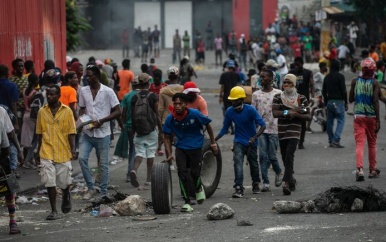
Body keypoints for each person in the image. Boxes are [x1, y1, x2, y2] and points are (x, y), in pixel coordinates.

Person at [163, 93, 218, 212]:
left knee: (194, 173)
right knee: (182, 173)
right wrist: (169, 154)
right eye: (175, 104)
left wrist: (213, 143)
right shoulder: (170, 118)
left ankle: (198, 188)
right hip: (181, 148)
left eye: (180, 104)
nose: (177, 106)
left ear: (186, 104)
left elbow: (207, 125)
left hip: (196, 147)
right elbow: (166, 136)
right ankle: (187, 202)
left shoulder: (195, 114)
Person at [78, 65, 121, 200]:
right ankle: (91, 187)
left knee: (103, 164)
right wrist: (83, 122)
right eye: (86, 76)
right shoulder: (83, 91)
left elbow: (118, 111)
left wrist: (101, 121)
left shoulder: (108, 91)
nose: (87, 78)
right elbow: (82, 109)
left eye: (90, 75)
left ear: (97, 76)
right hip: (88, 133)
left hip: (103, 134)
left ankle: (103, 192)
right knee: (81, 158)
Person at [215, 86, 266, 197]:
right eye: (232, 100)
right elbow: (225, 129)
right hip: (238, 141)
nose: (234, 103)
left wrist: (254, 137)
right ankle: (238, 187)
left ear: (242, 100)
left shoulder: (250, 109)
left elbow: (262, 125)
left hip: (251, 142)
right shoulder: (229, 112)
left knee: (253, 164)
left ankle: (256, 183)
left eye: (236, 100)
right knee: (237, 163)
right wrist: (214, 140)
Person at [36, 85, 76, 220]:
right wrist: (37, 151)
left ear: (59, 96)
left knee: (64, 182)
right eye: (48, 94)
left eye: (52, 94)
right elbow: (39, 134)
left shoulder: (67, 111)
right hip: (46, 151)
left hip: (63, 151)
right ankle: (54, 210)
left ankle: (66, 194)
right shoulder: (42, 111)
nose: (49, 97)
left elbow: (72, 132)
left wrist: (73, 149)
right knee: (49, 182)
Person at [272, 74, 311, 195]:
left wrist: (297, 114)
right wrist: (288, 111)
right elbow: (275, 112)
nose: (286, 85)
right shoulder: (278, 97)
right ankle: (292, 179)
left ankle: (286, 184)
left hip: (295, 131)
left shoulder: (301, 98)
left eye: (289, 83)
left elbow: (307, 114)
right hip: (282, 131)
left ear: (294, 84)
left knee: (289, 154)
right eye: (284, 83)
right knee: (284, 156)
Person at [348, 58, 380, 181]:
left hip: (359, 116)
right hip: (371, 117)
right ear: (373, 70)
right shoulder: (375, 83)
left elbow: (351, 99)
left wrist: (358, 95)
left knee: (360, 144)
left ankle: (360, 169)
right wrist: (378, 120)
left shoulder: (355, 81)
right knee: (372, 144)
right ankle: (372, 170)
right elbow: (376, 101)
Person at [252, 70, 283, 192]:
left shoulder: (279, 94)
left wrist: (287, 114)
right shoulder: (256, 95)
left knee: (272, 156)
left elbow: (284, 110)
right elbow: (253, 113)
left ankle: (279, 172)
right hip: (260, 130)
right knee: (262, 156)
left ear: (271, 79)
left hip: (274, 128)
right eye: (260, 77)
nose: (261, 79)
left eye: (264, 77)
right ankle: (265, 182)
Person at [129, 73, 162, 189]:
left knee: (139, 153)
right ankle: (148, 179)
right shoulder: (153, 96)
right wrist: (161, 130)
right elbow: (157, 114)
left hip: (139, 130)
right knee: (150, 154)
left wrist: (134, 131)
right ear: (148, 83)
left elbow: (132, 116)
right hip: (151, 130)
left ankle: (134, 170)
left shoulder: (134, 97)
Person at [0, 106, 22, 234]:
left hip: (1, 156)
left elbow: (10, 134)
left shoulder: (1, 112)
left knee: (9, 188)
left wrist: (19, 151)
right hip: (3, 152)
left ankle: (13, 221)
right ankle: (13, 223)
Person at [114, 77, 140, 182]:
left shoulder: (127, 96)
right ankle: (132, 172)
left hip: (129, 126)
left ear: (132, 85)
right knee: (136, 150)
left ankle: (130, 173)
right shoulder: (143, 96)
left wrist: (122, 125)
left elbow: (122, 113)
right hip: (140, 127)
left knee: (132, 149)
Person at [158, 66, 184, 164]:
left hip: (167, 120)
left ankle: (170, 163)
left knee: (167, 142)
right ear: (178, 76)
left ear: (168, 77)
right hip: (180, 120)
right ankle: (180, 162)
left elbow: (160, 109)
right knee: (180, 142)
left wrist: (159, 122)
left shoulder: (163, 91)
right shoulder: (183, 89)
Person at [289, 57, 314, 149]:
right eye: (295, 64)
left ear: (302, 63)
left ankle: (301, 142)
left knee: (303, 120)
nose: (296, 66)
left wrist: (312, 97)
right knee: (291, 118)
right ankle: (292, 140)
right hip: (292, 101)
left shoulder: (308, 72)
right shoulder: (291, 72)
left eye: (298, 64)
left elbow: (312, 85)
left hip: (303, 102)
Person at [322, 59, 348, 148]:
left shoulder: (327, 77)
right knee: (341, 120)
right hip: (339, 102)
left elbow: (323, 91)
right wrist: (346, 102)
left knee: (330, 121)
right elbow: (344, 91)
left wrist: (326, 101)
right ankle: (336, 140)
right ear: (338, 66)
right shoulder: (340, 77)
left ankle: (331, 140)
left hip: (330, 101)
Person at [21, 74, 40, 169]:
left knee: (28, 139)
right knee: (34, 140)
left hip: (25, 115)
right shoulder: (34, 93)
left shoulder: (24, 91)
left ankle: (29, 160)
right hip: (32, 117)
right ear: (35, 81)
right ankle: (27, 161)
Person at [219, 60, 240, 134]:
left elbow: (222, 86)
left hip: (226, 96)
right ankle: (234, 128)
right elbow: (238, 85)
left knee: (227, 112)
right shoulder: (236, 75)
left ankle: (230, 127)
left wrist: (220, 96)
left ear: (227, 67)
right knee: (236, 111)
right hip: (235, 96)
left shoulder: (223, 75)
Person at [307, 62, 328, 132]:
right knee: (314, 108)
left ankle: (324, 124)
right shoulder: (318, 75)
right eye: (325, 66)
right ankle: (308, 126)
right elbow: (312, 83)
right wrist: (313, 91)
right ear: (321, 67)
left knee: (325, 108)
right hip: (318, 94)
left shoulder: (324, 75)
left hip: (323, 95)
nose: (326, 68)